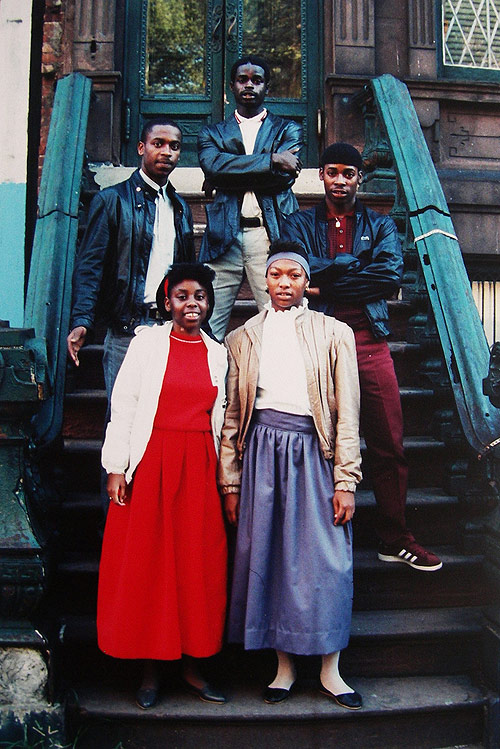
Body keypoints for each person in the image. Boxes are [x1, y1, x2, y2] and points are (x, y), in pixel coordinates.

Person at [282, 142, 442, 572]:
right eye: (332, 172)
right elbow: (296, 272)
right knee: (315, 441)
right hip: (316, 341)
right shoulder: (298, 223)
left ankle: (395, 537)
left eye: (348, 174)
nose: (340, 180)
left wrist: (326, 278)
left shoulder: (381, 223)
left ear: (359, 178)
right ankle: (316, 542)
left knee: (388, 440)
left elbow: (389, 275)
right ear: (321, 175)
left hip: (368, 340)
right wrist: (350, 267)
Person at [219, 240, 363, 709]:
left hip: (313, 452)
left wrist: (345, 480)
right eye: (276, 275)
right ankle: (283, 668)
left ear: (307, 281)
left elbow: (348, 414)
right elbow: (232, 417)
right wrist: (231, 482)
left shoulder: (334, 333)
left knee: (324, 559)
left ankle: (330, 670)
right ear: (264, 280)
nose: (284, 284)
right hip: (262, 454)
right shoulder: (242, 338)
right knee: (273, 557)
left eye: (294, 276)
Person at [97, 263, 228, 709]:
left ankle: (192, 665)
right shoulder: (147, 344)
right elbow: (125, 404)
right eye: (182, 296)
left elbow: (222, 417)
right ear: (167, 301)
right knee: (150, 564)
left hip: (199, 466)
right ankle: (150, 669)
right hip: (152, 461)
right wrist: (117, 466)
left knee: (195, 564)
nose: (191, 304)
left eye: (200, 297)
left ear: (209, 303)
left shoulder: (218, 353)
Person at [67, 116, 195, 405]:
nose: (166, 152)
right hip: (126, 330)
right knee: (122, 418)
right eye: (158, 144)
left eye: (174, 146)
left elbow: (187, 273)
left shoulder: (180, 207)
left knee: (164, 416)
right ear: (141, 148)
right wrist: (82, 320)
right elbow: (90, 267)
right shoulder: (112, 200)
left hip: (169, 328)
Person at [197, 55, 303, 341]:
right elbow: (212, 166)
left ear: (267, 87)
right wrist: (272, 160)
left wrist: (225, 174)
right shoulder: (212, 132)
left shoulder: (287, 129)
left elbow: (283, 179)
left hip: (269, 234)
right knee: (208, 326)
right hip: (224, 236)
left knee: (280, 322)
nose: (249, 85)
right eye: (242, 80)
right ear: (232, 86)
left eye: (257, 80)